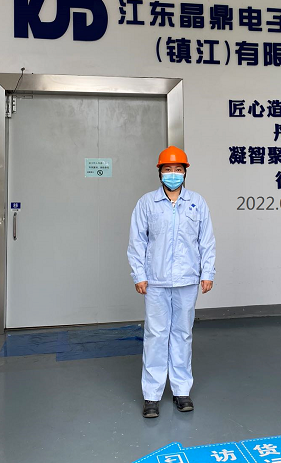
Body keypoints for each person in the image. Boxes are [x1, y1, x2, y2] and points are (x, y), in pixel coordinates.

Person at [127, 146, 216, 418]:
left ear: (185, 172)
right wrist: (139, 275)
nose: (173, 174)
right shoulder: (146, 203)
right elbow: (137, 241)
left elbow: (206, 241)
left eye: (178, 169)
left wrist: (207, 272)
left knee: (182, 334)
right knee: (155, 336)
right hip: (155, 281)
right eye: (168, 169)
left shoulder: (197, 203)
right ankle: (151, 395)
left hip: (187, 280)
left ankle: (181, 391)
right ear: (160, 172)